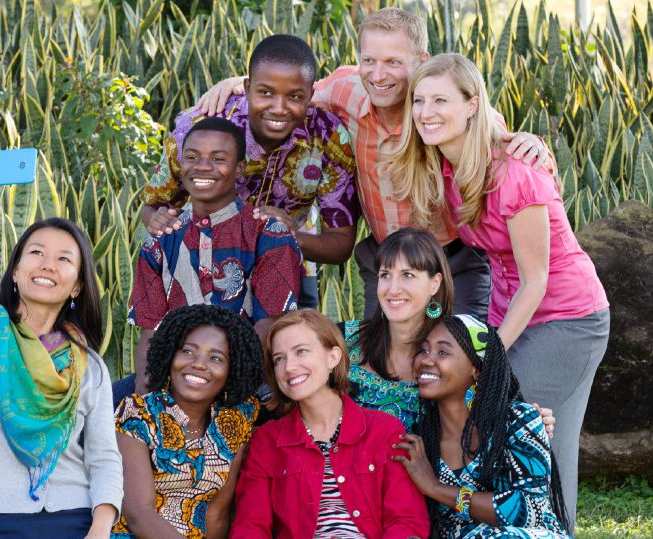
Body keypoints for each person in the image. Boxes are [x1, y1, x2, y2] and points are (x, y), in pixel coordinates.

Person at [197, 8, 550, 319]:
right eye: (369, 60)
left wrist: (529, 143)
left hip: (452, 260)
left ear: (421, 60)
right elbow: (291, 91)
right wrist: (234, 86)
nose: (378, 75)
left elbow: (491, 132)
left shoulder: (438, 109)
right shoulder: (345, 90)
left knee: (458, 363)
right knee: (379, 372)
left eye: (394, 62)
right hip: (385, 259)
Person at [387, 52, 609, 528]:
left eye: (440, 99)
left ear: (472, 106)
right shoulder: (449, 168)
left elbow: (537, 280)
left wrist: (489, 356)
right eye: (419, 100)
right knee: (551, 448)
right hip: (518, 313)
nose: (426, 111)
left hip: (568, 318)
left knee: (512, 423)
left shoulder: (515, 174)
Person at [0, 155, 121, 538]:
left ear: (76, 286)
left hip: (76, 518)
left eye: (64, 258)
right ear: (16, 270)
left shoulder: (88, 365)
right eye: (36, 252)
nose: (47, 264)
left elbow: (104, 456)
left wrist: (101, 527)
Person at [141, 34, 358, 310]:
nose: (278, 108)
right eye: (265, 92)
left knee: (295, 345)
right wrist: (158, 220)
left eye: (294, 96)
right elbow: (153, 206)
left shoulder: (329, 138)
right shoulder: (200, 128)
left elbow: (340, 244)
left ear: (310, 96)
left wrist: (285, 234)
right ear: (246, 87)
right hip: (204, 266)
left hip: (288, 264)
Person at [123, 117, 302, 399]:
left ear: (239, 168)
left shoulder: (268, 234)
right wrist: (147, 400)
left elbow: (268, 326)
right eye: (192, 157)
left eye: (218, 158)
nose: (203, 167)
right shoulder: (161, 238)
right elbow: (150, 334)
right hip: (174, 378)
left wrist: (220, 387)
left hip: (249, 383)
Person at [230, 310, 429, 539]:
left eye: (301, 351)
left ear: (333, 357)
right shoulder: (267, 442)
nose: (289, 367)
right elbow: (250, 527)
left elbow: (407, 522)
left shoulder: (384, 431)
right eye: (279, 359)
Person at [340, 227, 554, 439]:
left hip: (425, 473)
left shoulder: (462, 350)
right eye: (385, 275)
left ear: (435, 283)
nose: (393, 288)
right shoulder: (343, 342)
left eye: (408, 275)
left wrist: (529, 421)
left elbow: (490, 411)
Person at [394, 314, 570, 538]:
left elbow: (530, 509)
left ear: (476, 368)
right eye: (424, 350)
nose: (426, 360)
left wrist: (436, 488)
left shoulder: (517, 421)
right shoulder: (419, 442)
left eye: (442, 352)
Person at [112, 305, 264, 539]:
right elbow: (138, 515)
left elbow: (217, 514)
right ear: (170, 355)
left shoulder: (235, 420)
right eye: (188, 351)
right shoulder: (138, 413)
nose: (199, 364)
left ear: (231, 370)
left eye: (216, 358)